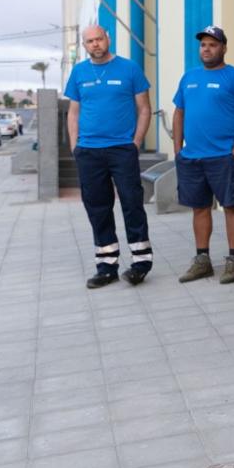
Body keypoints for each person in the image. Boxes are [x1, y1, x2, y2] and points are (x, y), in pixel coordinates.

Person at [64, 24, 154, 288]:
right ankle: (106, 266)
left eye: (99, 39)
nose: (95, 44)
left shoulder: (130, 69)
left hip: (122, 149)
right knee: (98, 208)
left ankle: (141, 263)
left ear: (108, 39)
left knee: (131, 203)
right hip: (89, 152)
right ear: (85, 45)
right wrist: (75, 146)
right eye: (90, 41)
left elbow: (145, 109)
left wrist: (135, 143)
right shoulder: (79, 72)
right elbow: (73, 112)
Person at [171, 25, 234, 282]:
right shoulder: (189, 78)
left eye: (213, 44)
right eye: (203, 45)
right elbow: (179, 113)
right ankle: (202, 259)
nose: (207, 49)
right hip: (192, 157)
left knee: (231, 206)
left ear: (224, 48)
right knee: (199, 208)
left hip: (223, 156)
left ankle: (233, 260)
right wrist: (178, 149)